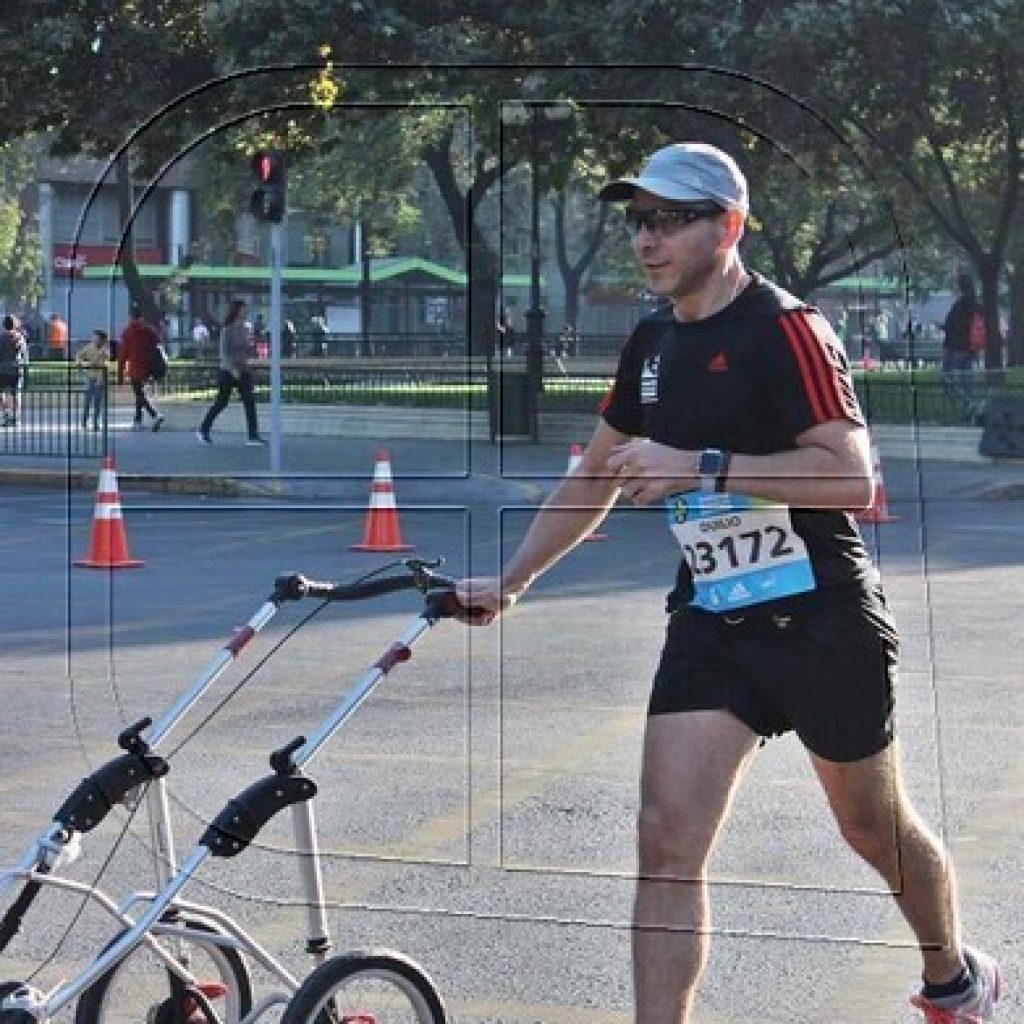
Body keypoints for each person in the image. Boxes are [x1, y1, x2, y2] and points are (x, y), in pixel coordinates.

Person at [454, 142, 1001, 1024]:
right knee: (664, 839)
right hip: (716, 615)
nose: (648, 239)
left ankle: (952, 977)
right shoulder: (654, 342)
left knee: (873, 829)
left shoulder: (787, 329)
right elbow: (596, 474)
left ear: (730, 226)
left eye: (671, 219)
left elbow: (851, 478)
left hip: (822, 617)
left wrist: (704, 467)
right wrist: (513, 580)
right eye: (639, 220)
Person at [196, 298, 265, 445]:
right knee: (222, 402)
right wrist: (232, 368)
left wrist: (253, 354)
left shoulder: (246, 328)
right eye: (243, 309)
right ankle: (203, 429)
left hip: (243, 369)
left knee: (249, 401)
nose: (245, 311)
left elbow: (248, 348)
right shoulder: (227, 329)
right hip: (228, 371)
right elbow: (224, 352)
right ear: (237, 310)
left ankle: (253, 436)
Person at [117, 304, 165, 431]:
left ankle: (155, 415)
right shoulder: (150, 330)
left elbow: (122, 356)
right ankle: (137, 421)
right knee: (140, 394)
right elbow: (158, 344)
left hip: (135, 368)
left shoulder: (128, 332)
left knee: (139, 394)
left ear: (130, 317)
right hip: (149, 367)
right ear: (142, 317)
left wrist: (120, 375)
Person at [942, 275, 982, 420]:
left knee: (947, 377)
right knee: (966, 380)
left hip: (955, 347)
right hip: (970, 347)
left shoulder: (960, 305)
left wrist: (945, 327)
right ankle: (969, 407)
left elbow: (953, 325)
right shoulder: (975, 304)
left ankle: (967, 403)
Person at [76, 329, 110, 431]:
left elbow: (107, 359)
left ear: (102, 339)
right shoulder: (89, 347)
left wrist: (103, 356)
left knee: (97, 403)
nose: (94, 339)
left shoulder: (104, 350)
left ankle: (96, 423)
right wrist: (81, 364)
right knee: (87, 401)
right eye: (94, 337)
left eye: (97, 337)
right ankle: (84, 422)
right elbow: (79, 356)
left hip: (100, 378)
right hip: (90, 377)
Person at [0, 315, 22, 426]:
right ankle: (16, 417)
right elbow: (24, 355)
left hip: (3, 369)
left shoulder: (1, 337)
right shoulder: (19, 337)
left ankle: (6, 413)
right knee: (15, 394)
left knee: (1, 393)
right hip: (15, 369)